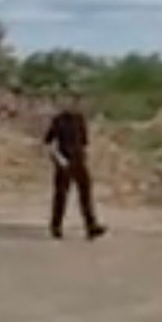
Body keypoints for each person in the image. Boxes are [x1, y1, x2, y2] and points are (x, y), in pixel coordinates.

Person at [44, 95, 106, 240]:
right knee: (61, 195)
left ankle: (91, 226)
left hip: (79, 161)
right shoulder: (58, 120)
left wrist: (86, 158)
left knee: (85, 193)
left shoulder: (80, 120)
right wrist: (59, 159)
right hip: (63, 160)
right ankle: (56, 226)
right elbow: (48, 144)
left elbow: (84, 143)